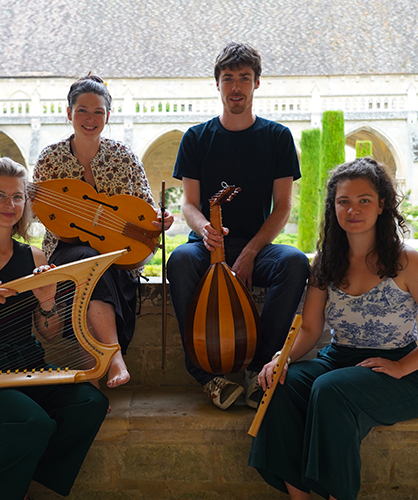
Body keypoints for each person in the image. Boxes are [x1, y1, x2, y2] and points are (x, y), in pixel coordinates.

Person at [0, 158, 109, 500]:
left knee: (89, 403)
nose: (9, 205)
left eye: (18, 197)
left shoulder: (35, 257)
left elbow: (50, 332)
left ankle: (10, 477)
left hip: (28, 367)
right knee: (33, 424)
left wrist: (46, 301)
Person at [249, 157, 418, 500]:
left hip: (399, 374)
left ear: (382, 205)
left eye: (364, 200)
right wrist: (281, 358)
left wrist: (404, 366)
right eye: (344, 201)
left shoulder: (406, 261)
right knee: (282, 385)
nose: (353, 209)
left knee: (331, 390)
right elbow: (310, 329)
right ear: (334, 207)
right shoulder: (326, 261)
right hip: (339, 360)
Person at [166, 42, 309, 410]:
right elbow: (189, 204)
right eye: (228, 78)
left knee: (294, 262)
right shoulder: (196, 139)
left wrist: (249, 252)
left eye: (244, 78)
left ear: (256, 84)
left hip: (256, 247)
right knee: (180, 261)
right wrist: (203, 230)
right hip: (209, 245)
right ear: (217, 85)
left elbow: (282, 209)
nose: (236, 87)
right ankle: (207, 377)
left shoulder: (277, 138)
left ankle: (259, 370)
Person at [33, 74, 173, 389]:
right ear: (68, 113)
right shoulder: (49, 159)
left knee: (97, 266)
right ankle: (113, 359)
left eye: (98, 111)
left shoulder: (124, 157)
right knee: (87, 260)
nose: (90, 118)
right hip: (67, 253)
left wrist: (160, 220)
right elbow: (42, 212)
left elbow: (147, 211)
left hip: (119, 257)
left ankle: (93, 382)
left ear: (108, 117)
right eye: (82, 110)